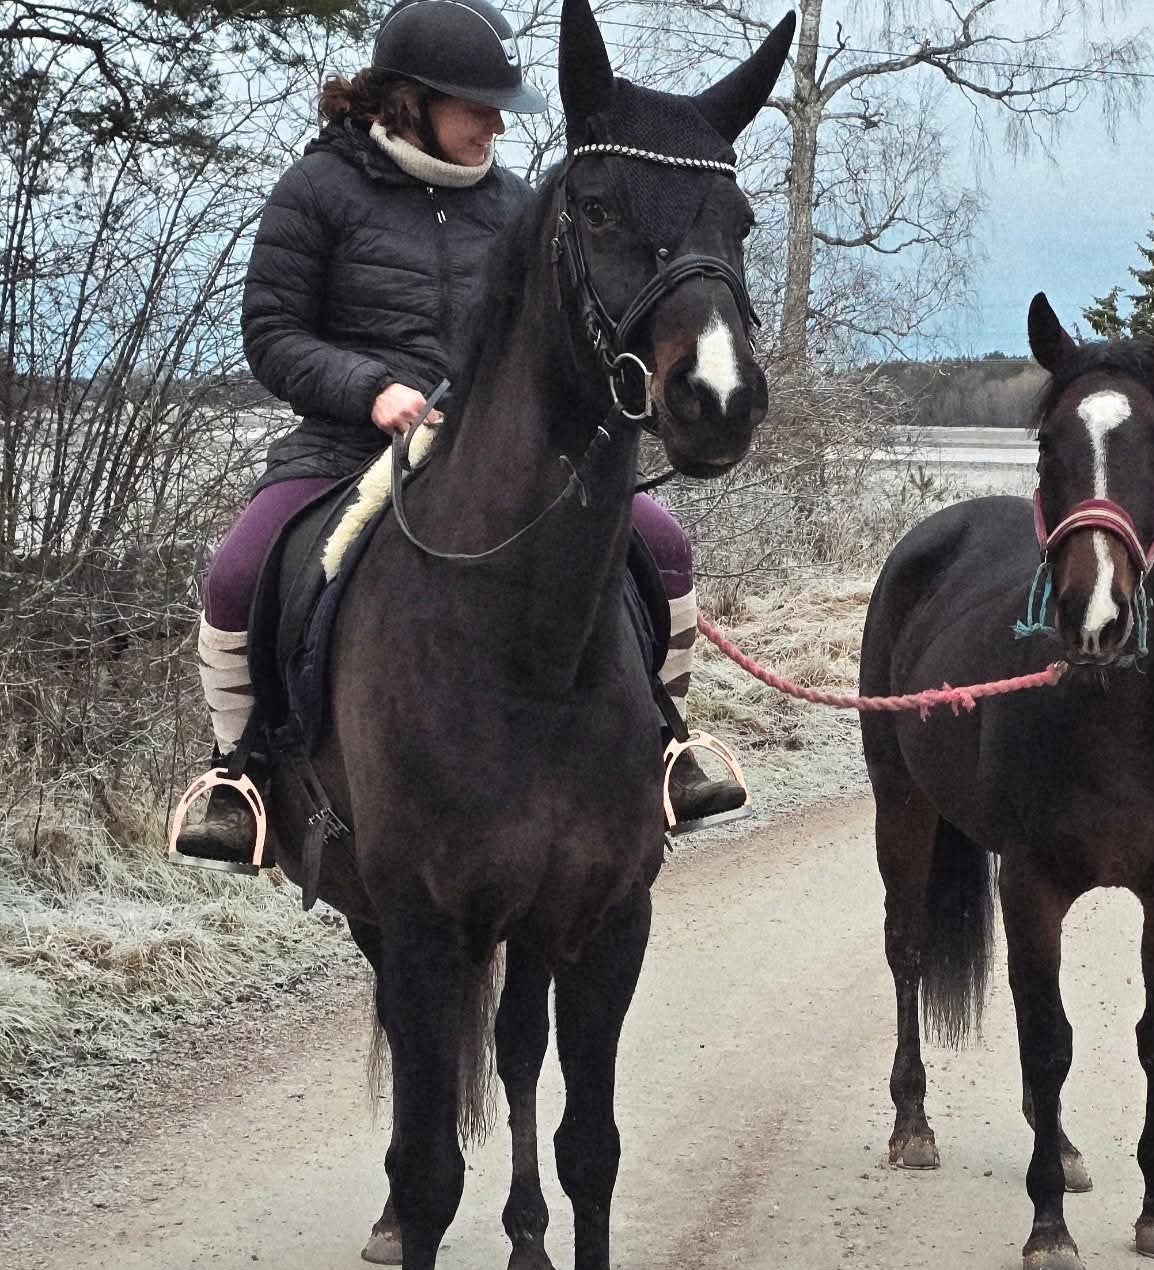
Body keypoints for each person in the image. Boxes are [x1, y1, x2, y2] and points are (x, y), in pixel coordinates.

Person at [174, 0, 747, 868]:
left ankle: (665, 742)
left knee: (662, 548)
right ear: (410, 100)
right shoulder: (319, 190)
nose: (493, 124)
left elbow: (562, 334)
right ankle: (238, 776)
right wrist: (373, 391)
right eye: (476, 105)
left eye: (500, 109)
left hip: (500, 450)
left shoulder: (518, 204)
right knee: (238, 572)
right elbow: (272, 333)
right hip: (344, 448)